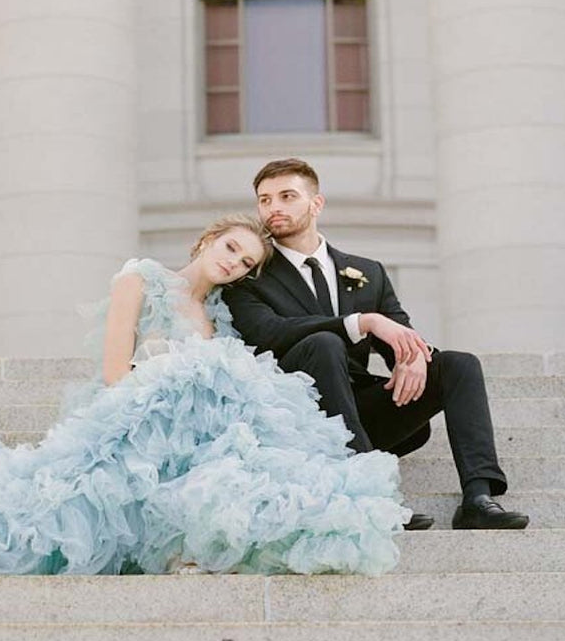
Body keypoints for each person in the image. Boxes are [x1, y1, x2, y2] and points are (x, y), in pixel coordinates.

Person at [0, 214, 412, 576]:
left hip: (197, 425)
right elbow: (115, 370)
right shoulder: (141, 279)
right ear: (206, 240)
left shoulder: (223, 314)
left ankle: (191, 540)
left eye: (245, 263)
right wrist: (167, 390)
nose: (234, 264)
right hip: (133, 416)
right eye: (230, 249)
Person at [225, 159, 529, 531]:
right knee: (324, 343)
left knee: (458, 364)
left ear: (316, 204)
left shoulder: (367, 272)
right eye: (265, 200)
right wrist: (359, 322)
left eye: (287, 196)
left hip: (365, 415)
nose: (274, 208)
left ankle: (479, 498)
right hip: (298, 418)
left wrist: (413, 356)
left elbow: (399, 333)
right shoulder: (249, 273)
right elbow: (268, 332)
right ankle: (372, 496)